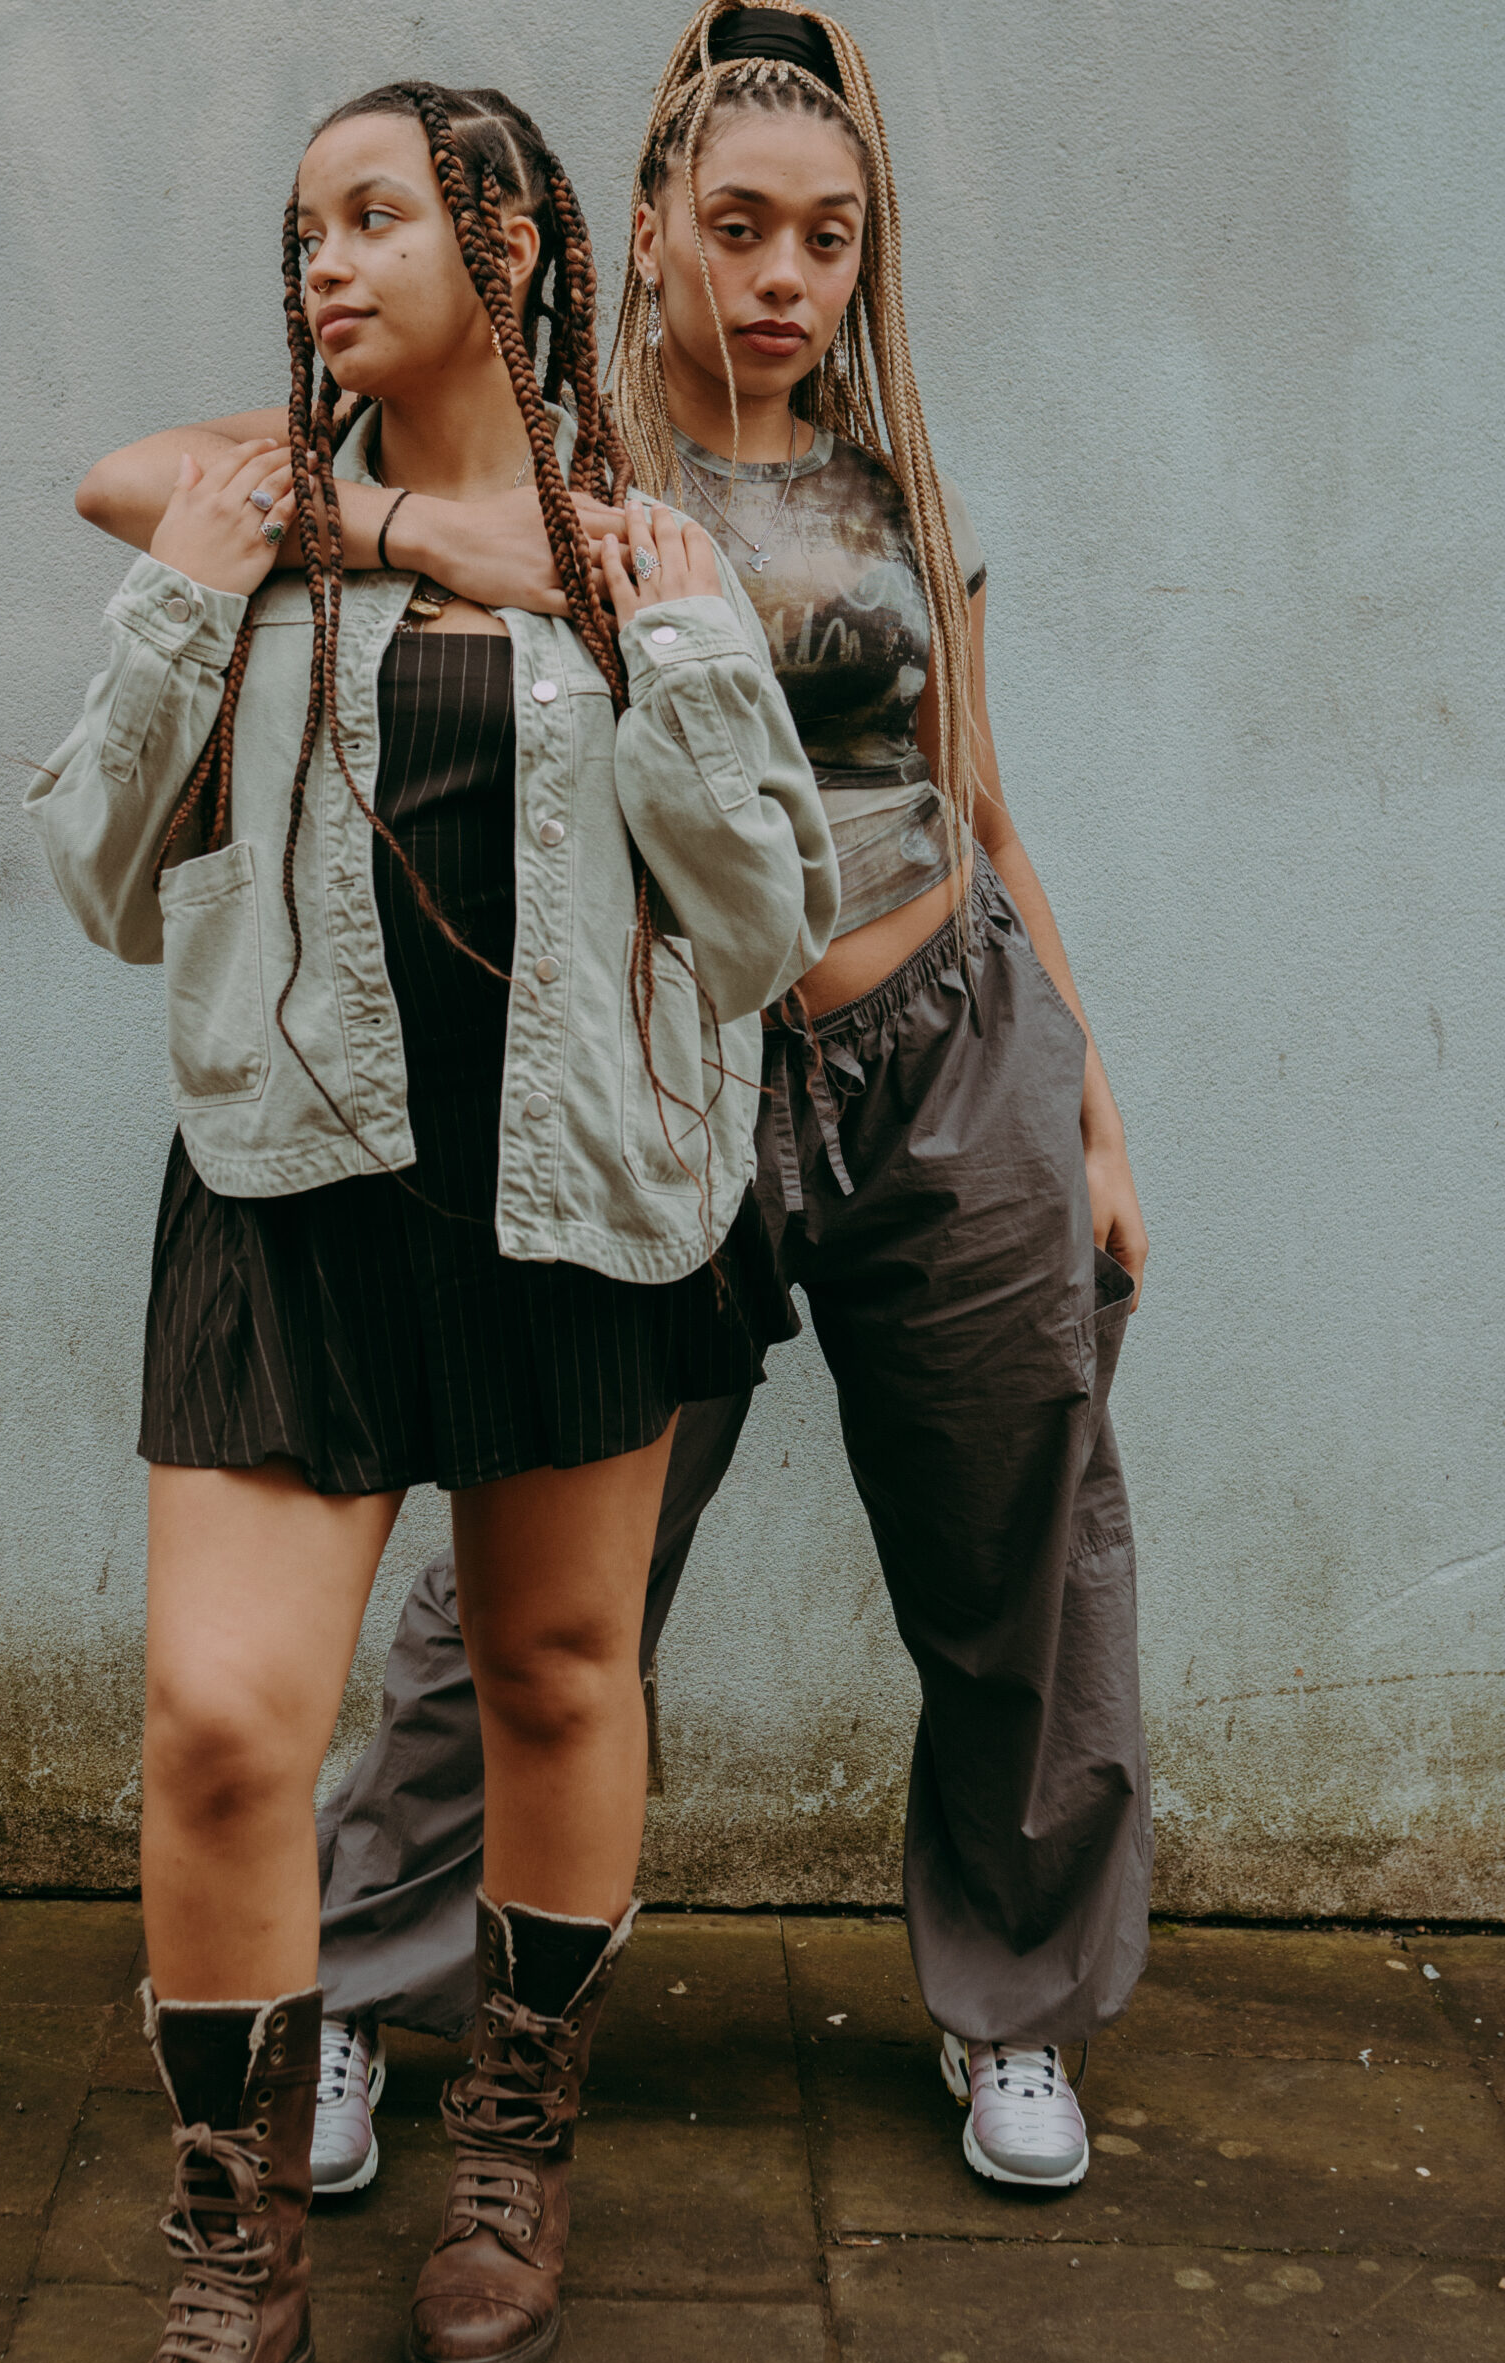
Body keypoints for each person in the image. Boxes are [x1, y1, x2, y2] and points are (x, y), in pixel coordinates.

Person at [75, 0, 1152, 2217]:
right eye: (740, 226)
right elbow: (142, 479)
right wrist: (441, 533)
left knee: (1014, 1538)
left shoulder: (894, 486)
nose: (785, 276)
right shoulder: (561, 454)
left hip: (952, 1043)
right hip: (671, 1059)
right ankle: (372, 1975)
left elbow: (977, 792)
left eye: (831, 238)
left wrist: (1096, 1102)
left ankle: (1017, 2003)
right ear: (645, 226)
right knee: (540, 1595)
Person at [28, 77, 834, 2363]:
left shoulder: (644, 551)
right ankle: (229, 2261)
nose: (324, 263)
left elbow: (764, 922)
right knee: (218, 1722)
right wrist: (238, 576)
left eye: (374, 216)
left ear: (516, 244)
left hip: (583, 1188)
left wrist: (650, 634)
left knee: (557, 1676)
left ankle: (511, 2136)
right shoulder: (244, 517)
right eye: (304, 228)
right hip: (293, 1194)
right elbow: (99, 877)